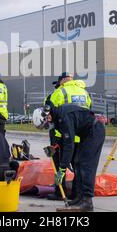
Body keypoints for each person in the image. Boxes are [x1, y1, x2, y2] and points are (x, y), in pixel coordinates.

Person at [33, 104, 105, 212]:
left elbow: (69, 145)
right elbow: (64, 137)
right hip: (87, 133)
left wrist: (62, 169)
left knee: (86, 165)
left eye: (46, 125)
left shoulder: (64, 117)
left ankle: (87, 202)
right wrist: (55, 147)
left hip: (94, 131)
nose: (48, 127)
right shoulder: (58, 117)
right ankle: (80, 198)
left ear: (48, 117)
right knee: (78, 163)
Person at [44, 72, 92, 201]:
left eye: (58, 83)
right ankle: (77, 193)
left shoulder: (59, 92)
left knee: (59, 163)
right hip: (80, 136)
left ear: (62, 81)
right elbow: (89, 112)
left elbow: (49, 113)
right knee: (78, 165)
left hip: (61, 135)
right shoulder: (84, 93)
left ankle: (60, 191)